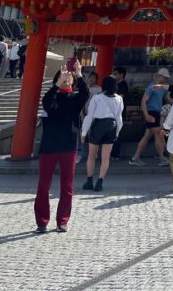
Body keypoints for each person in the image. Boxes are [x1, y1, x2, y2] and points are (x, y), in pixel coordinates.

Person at [34, 63, 89, 233]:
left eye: (69, 78)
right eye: (63, 78)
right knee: (43, 185)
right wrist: (58, 83)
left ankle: (62, 220)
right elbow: (46, 103)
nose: (67, 80)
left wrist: (79, 74)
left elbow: (85, 94)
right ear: (57, 80)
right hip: (49, 145)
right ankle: (42, 221)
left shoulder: (75, 98)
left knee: (67, 186)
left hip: (68, 145)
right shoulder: (52, 96)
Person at [80, 75, 123, 193]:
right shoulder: (119, 99)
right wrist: (117, 132)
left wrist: (84, 132)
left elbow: (89, 116)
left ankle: (89, 181)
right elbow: (119, 118)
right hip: (112, 126)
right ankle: (100, 181)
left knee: (92, 155)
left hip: (98, 126)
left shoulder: (97, 98)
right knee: (105, 157)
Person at [130, 68, 171, 166]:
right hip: (152, 113)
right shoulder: (152, 86)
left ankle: (135, 157)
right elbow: (143, 101)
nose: (165, 79)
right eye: (164, 77)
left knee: (147, 136)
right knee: (158, 135)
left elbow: (167, 98)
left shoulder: (161, 87)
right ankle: (162, 158)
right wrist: (147, 114)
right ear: (159, 76)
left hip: (155, 113)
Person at [110, 67, 130, 160]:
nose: (114, 74)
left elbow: (120, 97)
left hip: (119, 113)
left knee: (116, 134)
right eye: (114, 73)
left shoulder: (123, 85)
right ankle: (112, 154)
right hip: (112, 113)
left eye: (116, 73)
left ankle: (115, 154)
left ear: (122, 74)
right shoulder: (115, 84)